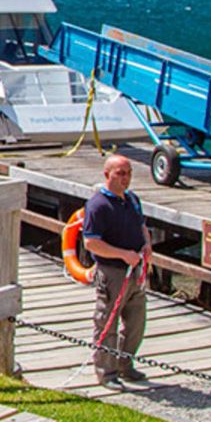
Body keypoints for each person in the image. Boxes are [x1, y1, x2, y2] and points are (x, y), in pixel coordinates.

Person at [82, 154, 152, 391]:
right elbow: (91, 242)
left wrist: (146, 244)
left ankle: (125, 364)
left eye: (129, 173)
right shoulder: (98, 205)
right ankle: (106, 372)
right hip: (112, 271)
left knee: (136, 322)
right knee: (107, 322)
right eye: (120, 173)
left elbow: (141, 224)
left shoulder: (132, 199)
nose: (126, 178)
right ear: (107, 175)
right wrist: (123, 254)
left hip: (136, 270)